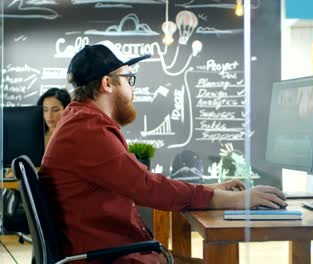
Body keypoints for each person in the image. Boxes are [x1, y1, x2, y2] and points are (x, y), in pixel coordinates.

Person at [38, 40, 286, 264]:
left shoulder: (80, 123)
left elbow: (142, 182)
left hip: (107, 251)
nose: (132, 88)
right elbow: (148, 187)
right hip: (108, 257)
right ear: (107, 83)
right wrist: (238, 200)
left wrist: (211, 190)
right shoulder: (88, 131)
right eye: (128, 78)